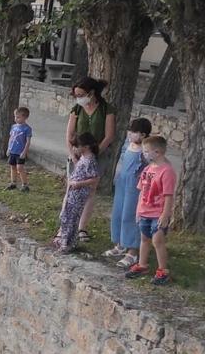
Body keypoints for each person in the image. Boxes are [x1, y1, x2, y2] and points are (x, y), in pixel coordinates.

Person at [65, 76, 115, 242]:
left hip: (97, 155)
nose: (79, 98)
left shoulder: (106, 109)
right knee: (72, 187)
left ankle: (82, 227)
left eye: (81, 94)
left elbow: (108, 136)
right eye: (76, 95)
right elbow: (70, 133)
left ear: (91, 93)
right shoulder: (77, 109)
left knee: (90, 191)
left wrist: (92, 154)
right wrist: (73, 154)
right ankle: (65, 225)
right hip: (77, 155)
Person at [124, 136, 176, 285]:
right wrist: (138, 211)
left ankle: (163, 271)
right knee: (144, 239)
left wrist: (165, 215)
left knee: (157, 240)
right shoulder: (147, 169)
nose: (144, 154)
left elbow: (168, 196)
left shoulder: (167, 172)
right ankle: (142, 264)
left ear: (157, 152)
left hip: (158, 213)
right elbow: (142, 191)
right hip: (145, 212)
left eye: (146, 151)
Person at [105, 118, 153, 268]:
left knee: (130, 216)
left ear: (143, 135)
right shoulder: (128, 144)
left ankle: (132, 251)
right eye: (130, 131)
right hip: (121, 183)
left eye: (134, 132)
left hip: (135, 187)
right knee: (118, 214)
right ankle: (120, 244)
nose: (131, 134)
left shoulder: (145, 151)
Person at [53, 132, 100, 253]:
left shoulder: (90, 161)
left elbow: (95, 178)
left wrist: (79, 184)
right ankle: (63, 238)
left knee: (72, 217)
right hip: (72, 192)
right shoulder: (83, 158)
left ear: (86, 146)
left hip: (78, 194)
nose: (74, 149)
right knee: (66, 215)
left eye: (76, 146)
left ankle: (68, 243)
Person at [5, 107, 33, 192]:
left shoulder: (27, 129)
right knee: (12, 167)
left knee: (20, 168)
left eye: (18, 117)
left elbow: (28, 142)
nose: (16, 119)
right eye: (15, 117)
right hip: (13, 150)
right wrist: (8, 148)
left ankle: (25, 185)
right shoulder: (13, 127)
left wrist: (24, 152)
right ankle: (13, 183)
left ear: (25, 117)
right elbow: (11, 138)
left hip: (20, 152)